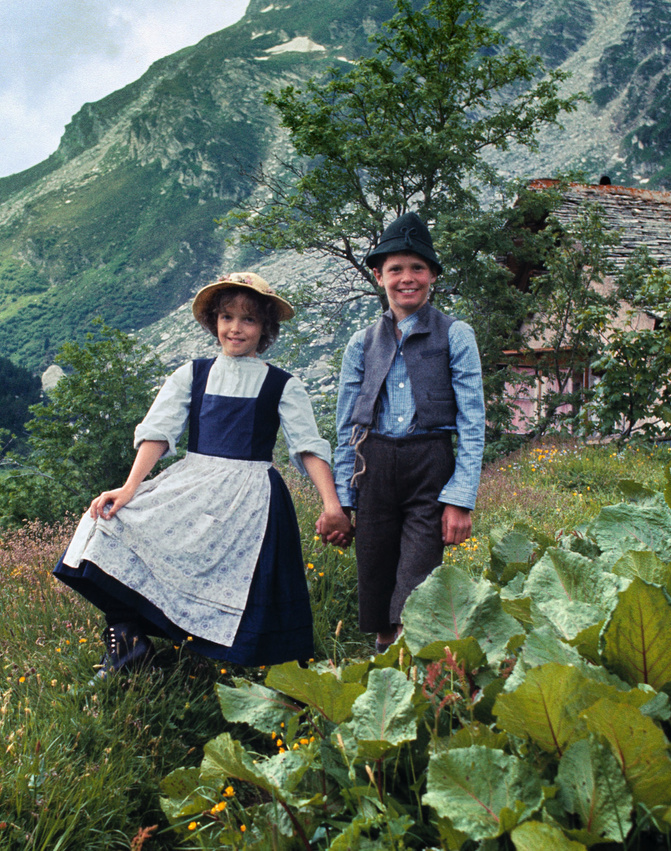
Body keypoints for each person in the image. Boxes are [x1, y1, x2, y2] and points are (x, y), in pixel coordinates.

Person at [55, 272, 352, 677]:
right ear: (214, 321)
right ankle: (128, 643)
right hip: (193, 482)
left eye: (248, 319)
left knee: (254, 577)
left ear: (265, 327)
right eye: (227, 317)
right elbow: (159, 433)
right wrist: (129, 488)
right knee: (107, 525)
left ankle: (276, 676)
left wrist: (332, 505)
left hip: (251, 495)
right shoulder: (193, 374)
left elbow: (308, 446)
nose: (235, 328)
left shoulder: (282, 384)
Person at [333, 213, 485, 653]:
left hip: (429, 468)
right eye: (395, 269)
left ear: (433, 275)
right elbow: (347, 426)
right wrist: (344, 499)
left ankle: (412, 665)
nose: (407, 278)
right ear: (379, 276)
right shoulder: (361, 343)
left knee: (417, 581)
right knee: (377, 579)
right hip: (374, 467)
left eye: (418, 268)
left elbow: (473, 422)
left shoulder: (456, 335)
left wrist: (460, 498)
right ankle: (386, 666)